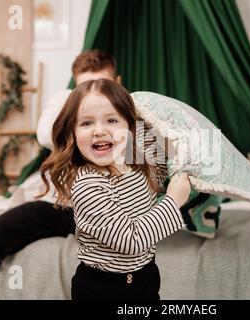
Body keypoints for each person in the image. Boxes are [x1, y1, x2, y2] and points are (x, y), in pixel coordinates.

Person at [0, 50, 129, 300]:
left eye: (103, 86)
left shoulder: (134, 111)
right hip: (62, 206)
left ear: (117, 81)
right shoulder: (65, 102)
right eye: (84, 88)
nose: (94, 94)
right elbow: (45, 133)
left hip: (109, 211)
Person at [39, 78, 190, 300]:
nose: (99, 131)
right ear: (72, 132)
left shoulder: (138, 165)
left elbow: (161, 164)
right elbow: (132, 241)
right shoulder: (87, 186)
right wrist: (173, 201)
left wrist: (148, 118)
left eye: (111, 120)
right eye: (87, 123)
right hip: (103, 288)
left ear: (129, 127)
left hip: (146, 277)